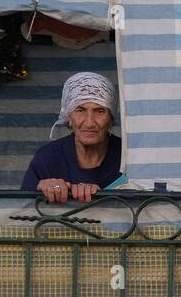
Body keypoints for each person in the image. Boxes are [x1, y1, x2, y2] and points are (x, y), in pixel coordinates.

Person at [21, 72, 122, 202]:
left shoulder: (128, 158)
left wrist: (98, 195)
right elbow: (22, 209)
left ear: (111, 119)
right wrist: (39, 189)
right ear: (68, 117)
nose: (89, 123)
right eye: (80, 110)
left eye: (100, 111)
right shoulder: (48, 158)